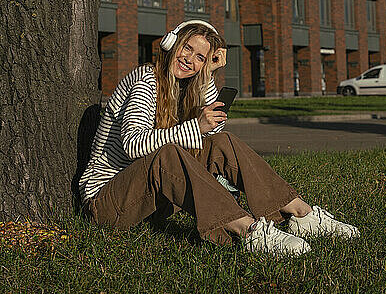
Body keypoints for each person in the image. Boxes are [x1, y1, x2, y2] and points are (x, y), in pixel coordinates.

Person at [80, 20, 359, 257]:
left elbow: (211, 132)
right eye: (187, 48)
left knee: (220, 143)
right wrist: (195, 126)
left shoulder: (183, 86)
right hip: (106, 203)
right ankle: (249, 231)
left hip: (148, 202)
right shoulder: (146, 78)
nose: (190, 59)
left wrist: (209, 76)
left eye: (200, 57)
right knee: (169, 153)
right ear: (171, 43)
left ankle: (300, 214)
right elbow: (134, 144)